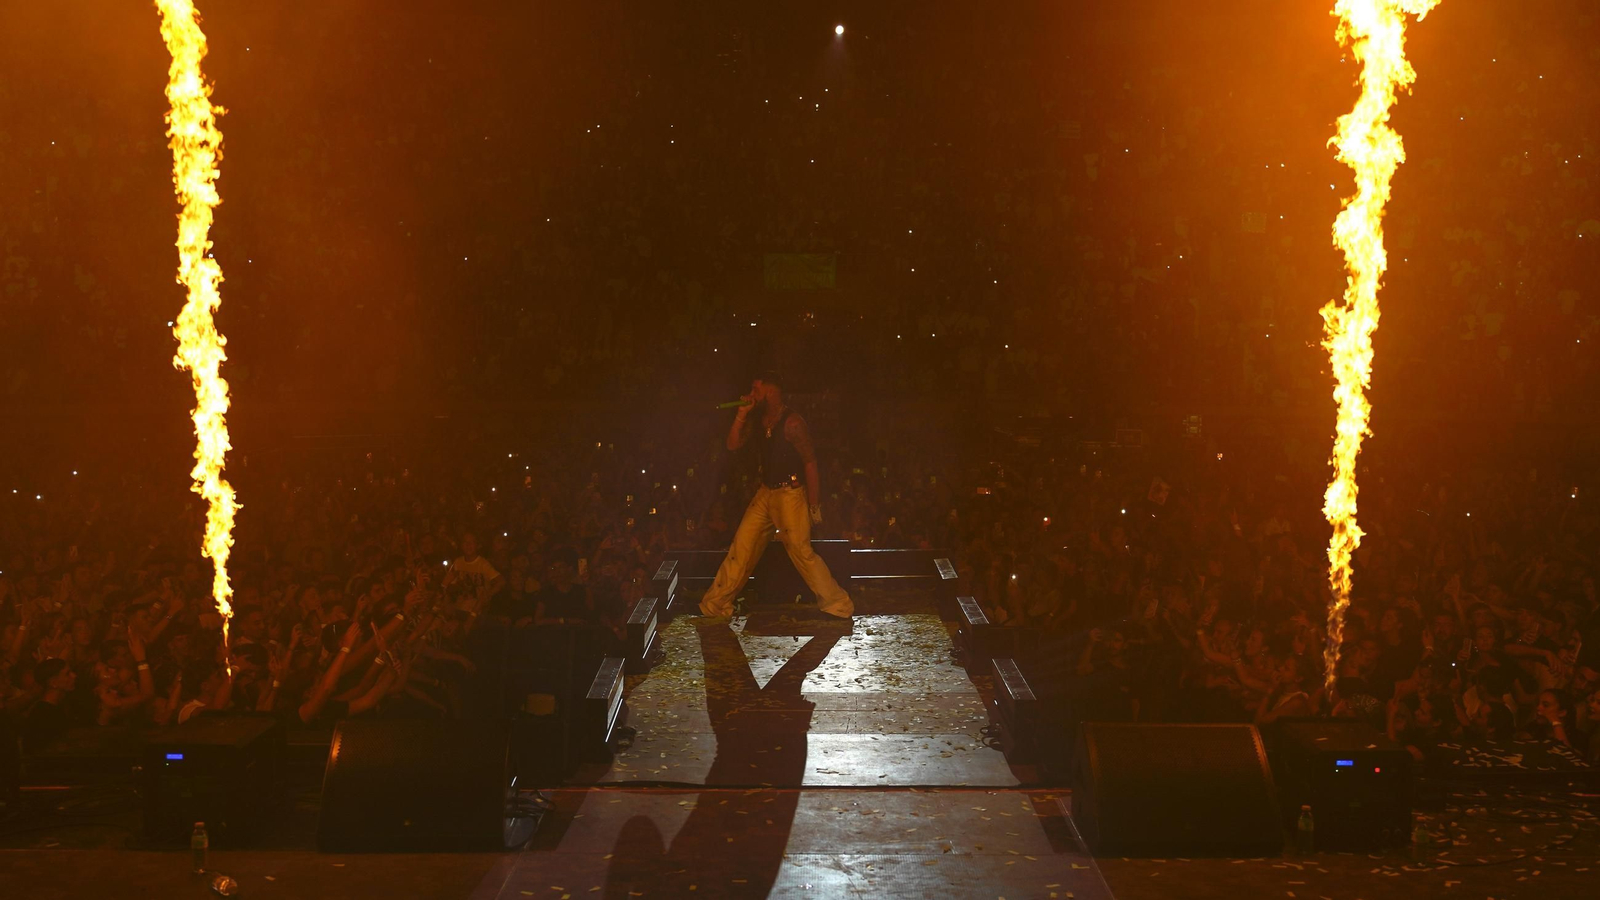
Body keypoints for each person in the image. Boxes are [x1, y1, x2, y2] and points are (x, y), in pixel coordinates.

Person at [698, 372, 853, 619]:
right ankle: (715, 605)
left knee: (801, 552)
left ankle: (838, 604)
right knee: (742, 547)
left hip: (790, 495)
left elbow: (810, 462)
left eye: (755, 386)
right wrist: (741, 414)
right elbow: (732, 444)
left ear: (770, 388)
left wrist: (814, 505)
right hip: (765, 493)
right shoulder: (757, 418)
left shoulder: (793, 423)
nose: (752, 390)